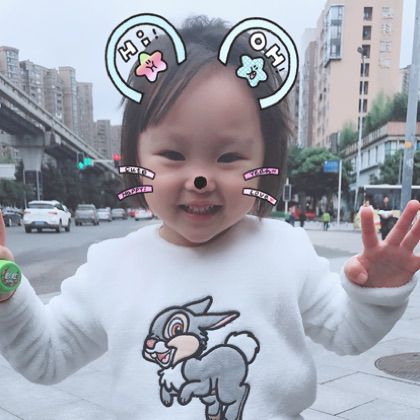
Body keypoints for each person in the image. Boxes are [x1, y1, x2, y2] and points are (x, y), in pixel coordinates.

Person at [0, 16, 420, 420]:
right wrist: (7, 292)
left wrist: (377, 293)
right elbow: (46, 356)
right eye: (173, 154)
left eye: (229, 156)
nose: (200, 179)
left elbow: (347, 333)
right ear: (135, 158)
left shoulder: (285, 250)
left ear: (266, 160)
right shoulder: (112, 266)